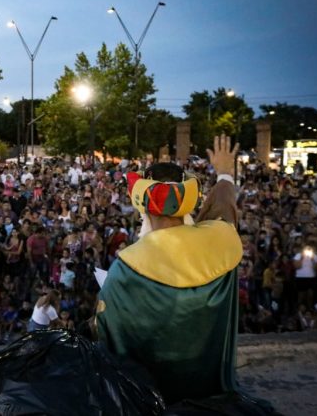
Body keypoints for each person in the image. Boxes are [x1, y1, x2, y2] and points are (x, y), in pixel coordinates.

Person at [97, 136, 270, 407]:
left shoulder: (126, 268)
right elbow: (224, 208)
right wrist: (224, 171)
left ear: (142, 202)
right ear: (187, 200)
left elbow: (105, 335)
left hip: (155, 402)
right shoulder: (222, 241)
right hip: (211, 400)